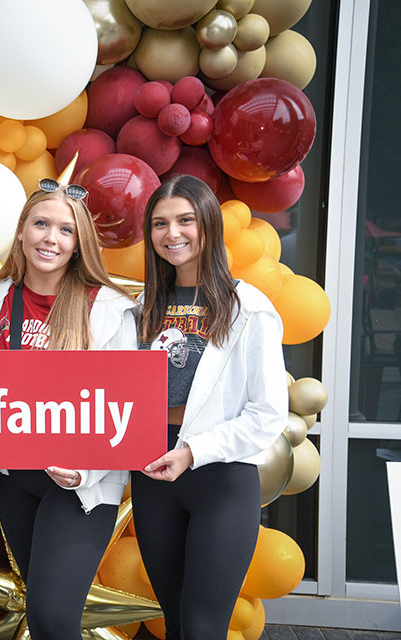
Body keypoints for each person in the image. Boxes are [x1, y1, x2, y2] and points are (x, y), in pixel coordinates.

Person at [0, 178, 138, 639]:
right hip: (15, 480)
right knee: (44, 615)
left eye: (65, 230)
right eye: (41, 224)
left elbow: (124, 409)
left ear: (77, 244)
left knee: (52, 618)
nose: (51, 237)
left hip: (80, 485)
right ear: (22, 232)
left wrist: (85, 470)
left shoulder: (107, 309)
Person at [133, 174, 287, 639]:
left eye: (185, 220)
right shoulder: (142, 306)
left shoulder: (249, 308)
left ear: (209, 225)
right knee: (174, 622)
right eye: (159, 223)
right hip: (153, 474)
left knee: (203, 628)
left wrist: (193, 451)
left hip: (219, 478)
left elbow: (267, 413)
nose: (172, 233)